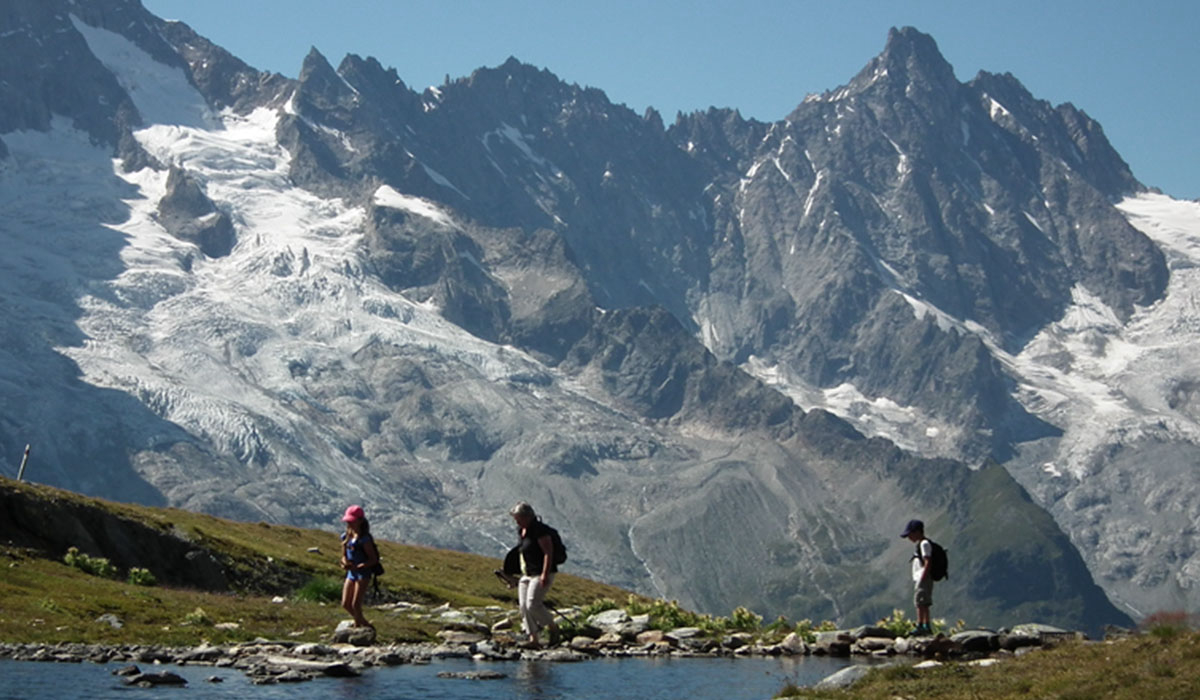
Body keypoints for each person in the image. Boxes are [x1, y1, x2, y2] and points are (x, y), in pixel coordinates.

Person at [509, 502, 560, 647]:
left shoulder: (540, 531)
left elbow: (547, 553)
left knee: (533, 604)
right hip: (527, 573)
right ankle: (533, 639)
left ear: (528, 517)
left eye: (518, 518)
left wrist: (544, 574)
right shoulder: (521, 531)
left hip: (540, 573)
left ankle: (553, 628)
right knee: (523, 606)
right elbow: (522, 553)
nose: (516, 521)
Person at [339, 504, 379, 629]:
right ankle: (364, 623)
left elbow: (373, 559)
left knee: (356, 604)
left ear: (360, 521)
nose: (349, 524)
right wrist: (345, 562)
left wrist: (361, 565)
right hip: (351, 573)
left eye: (352, 521)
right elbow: (343, 555)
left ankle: (359, 625)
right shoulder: (346, 536)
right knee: (346, 603)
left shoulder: (365, 539)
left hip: (363, 573)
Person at [901, 518, 934, 636]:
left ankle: (922, 625)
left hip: (923, 578)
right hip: (923, 578)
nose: (909, 538)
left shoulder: (924, 544)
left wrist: (923, 577)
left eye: (910, 534)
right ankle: (925, 625)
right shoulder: (922, 544)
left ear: (917, 532)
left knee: (920, 603)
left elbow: (927, 560)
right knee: (923, 602)